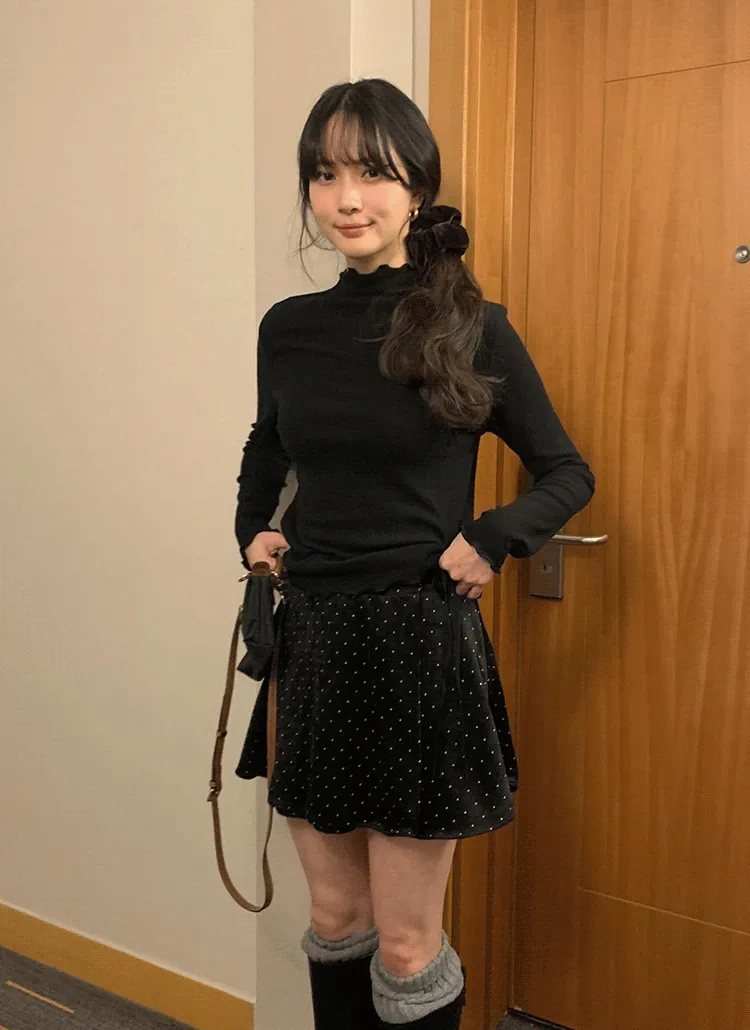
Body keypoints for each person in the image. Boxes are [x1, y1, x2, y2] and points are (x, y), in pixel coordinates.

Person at [233, 78, 594, 1030]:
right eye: (325, 175)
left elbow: (566, 471)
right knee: (334, 919)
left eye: (372, 173)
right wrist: (253, 527)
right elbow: (269, 443)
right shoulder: (288, 329)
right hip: (312, 642)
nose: (346, 199)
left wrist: (493, 537)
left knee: (404, 943)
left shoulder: (471, 326)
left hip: (417, 646)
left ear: (418, 185)